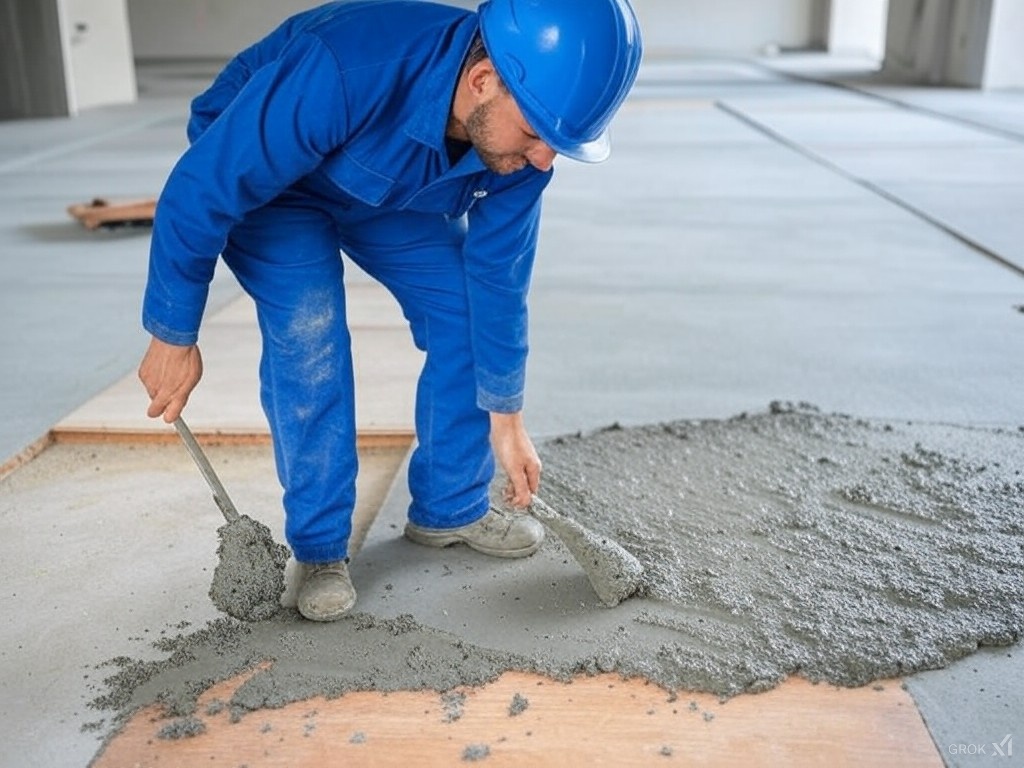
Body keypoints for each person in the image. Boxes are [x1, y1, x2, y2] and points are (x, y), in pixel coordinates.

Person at [137, 0, 643, 622]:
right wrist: (172, 330)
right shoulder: (344, 69)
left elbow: (499, 284)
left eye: (561, 144)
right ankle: (321, 548)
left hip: (380, 179)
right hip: (273, 181)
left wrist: (506, 418)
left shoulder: (526, 145)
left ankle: (450, 506)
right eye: (538, 135)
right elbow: (204, 186)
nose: (546, 160)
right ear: (483, 81)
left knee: (461, 306)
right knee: (310, 327)